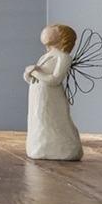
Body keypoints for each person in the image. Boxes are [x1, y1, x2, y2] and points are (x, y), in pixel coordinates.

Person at [25, 23, 83, 161]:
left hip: (51, 96)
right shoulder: (46, 56)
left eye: (51, 31)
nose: (46, 31)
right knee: (38, 118)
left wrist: (35, 72)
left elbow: (55, 79)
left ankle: (64, 149)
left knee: (52, 119)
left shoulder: (63, 57)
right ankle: (39, 147)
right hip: (38, 94)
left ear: (62, 37)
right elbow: (35, 75)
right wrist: (28, 74)